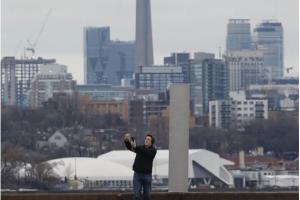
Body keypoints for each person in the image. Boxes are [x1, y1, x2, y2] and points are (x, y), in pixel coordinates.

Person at [124, 133, 157, 200]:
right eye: (146, 139)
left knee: (147, 195)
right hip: (137, 174)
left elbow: (145, 152)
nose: (146, 140)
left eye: (148, 139)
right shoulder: (140, 148)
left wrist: (135, 147)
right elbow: (131, 148)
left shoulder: (153, 150)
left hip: (147, 175)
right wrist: (127, 141)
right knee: (136, 195)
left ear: (151, 142)